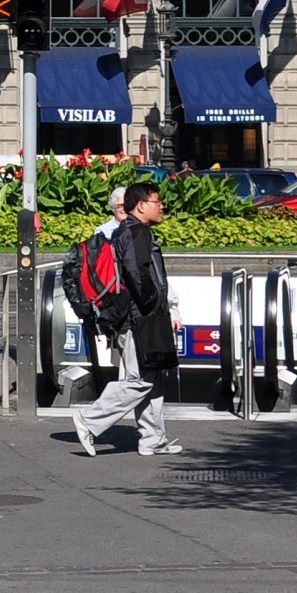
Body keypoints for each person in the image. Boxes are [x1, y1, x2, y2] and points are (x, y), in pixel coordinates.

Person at [74, 181, 183, 457]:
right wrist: (153, 304)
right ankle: (89, 420)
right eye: (157, 202)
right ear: (141, 205)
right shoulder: (136, 233)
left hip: (139, 316)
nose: (162, 207)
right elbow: (138, 274)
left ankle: (153, 440)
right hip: (138, 318)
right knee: (140, 380)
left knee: (153, 377)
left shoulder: (132, 231)